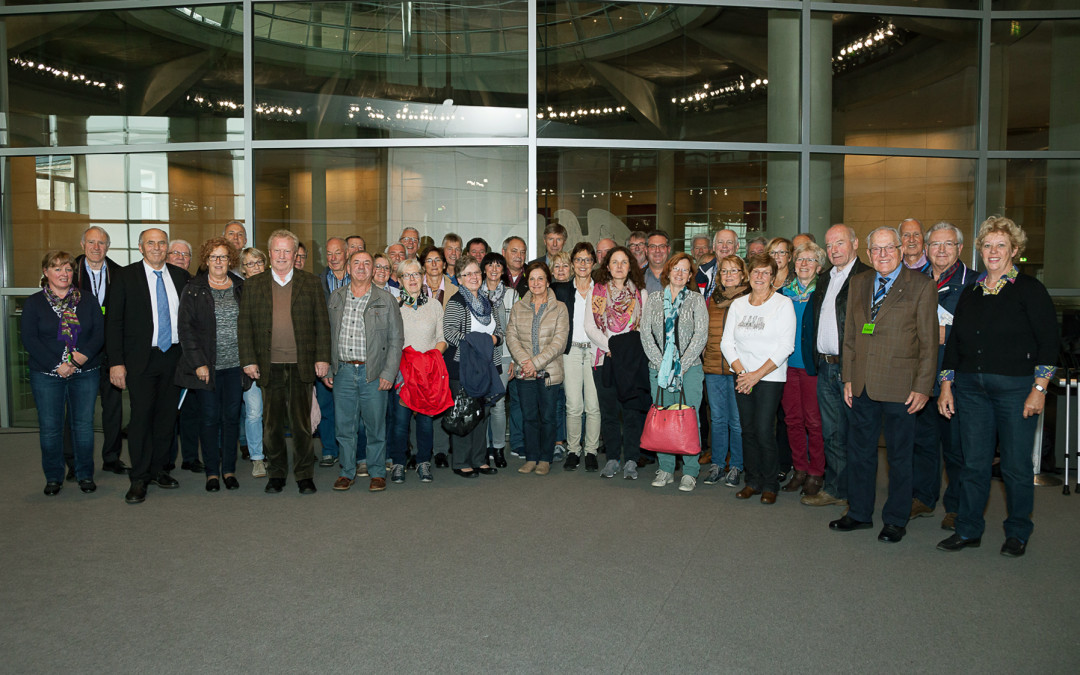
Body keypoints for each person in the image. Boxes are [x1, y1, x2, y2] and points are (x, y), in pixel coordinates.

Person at [936, 216, 1059, 557]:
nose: (993, 251)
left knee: (1015, 467)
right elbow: (956, 345)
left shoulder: (1029, 290)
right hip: (971, 392)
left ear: (1015, 250)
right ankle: (968, 529)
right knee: (973, 464)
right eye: (987, 245)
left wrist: (1039, 389)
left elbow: (1049, 342)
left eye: (1000, 245)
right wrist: (947, 387)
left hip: (1017, 392)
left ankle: (1018, 532)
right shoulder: (971, 292)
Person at [830, 226, 937, 544]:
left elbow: (929, 344)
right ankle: (859, 513)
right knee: (859, 452)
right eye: (876, 249)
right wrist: (848, 377)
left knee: (900, 457)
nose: (883, 255)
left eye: (889, 248)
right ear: (867, 252)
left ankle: (895, 519)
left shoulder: (921, 286)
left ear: (901, 249)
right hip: (861, 384)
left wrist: (923, 387)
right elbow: (849, 334)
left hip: (901, 387)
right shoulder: (860, 282)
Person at [238, 230, 331, 495]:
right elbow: (244, 326)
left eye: (286, 251)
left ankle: (304, 474)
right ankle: (276, 473)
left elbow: (322, 324)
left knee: (302, 425)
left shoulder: (310, 283)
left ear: (295, 254)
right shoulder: (254, 285)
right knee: (272, 424)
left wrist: (323, 357)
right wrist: (248, 360)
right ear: (269, 255)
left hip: (301, 364)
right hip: (269, 365)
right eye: (277, 251)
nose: (281, 256)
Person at [106, 228, 192, 504]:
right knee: (141, 418)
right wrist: (116, 363)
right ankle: (139, 478)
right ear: (140, 247)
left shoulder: (180, 277)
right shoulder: (124, 276)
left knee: (167, 418)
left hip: (174, 358)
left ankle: (159, 469)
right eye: (151, 243)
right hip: (140, 360)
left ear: (167, 247)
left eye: (161, 243)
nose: (157, 247)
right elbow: (114, 323)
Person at [22, 251, 105, 495]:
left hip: (85, 371)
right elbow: (29, 339)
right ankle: (54, 477)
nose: (63, 274)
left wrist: (80, 358)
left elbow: (99, 334)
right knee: (50, 428)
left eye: (68, 269)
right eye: (57, 268)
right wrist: (56, 365)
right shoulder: (34, 303)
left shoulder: (88, 301)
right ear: (46, 272)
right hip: (47, 374)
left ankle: (84, 475)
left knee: (83, 426)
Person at [911, 221, 976, 528]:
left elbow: (975, 332)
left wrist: (942, 332)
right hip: (919, 377)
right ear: (926, 249)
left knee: (957, 447)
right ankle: (923, 498)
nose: (940, 250)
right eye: (935, 244)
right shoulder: (913, 280)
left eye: (948, 244)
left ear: (959, 249)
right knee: (922, 443)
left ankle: (957, 506)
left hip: (957, 380)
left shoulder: (974, 284)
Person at [802, 224, 870, 508]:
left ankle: (859, 493)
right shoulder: (826, 277)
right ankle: (836, 488)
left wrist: (855, 367)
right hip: (826, 368)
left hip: (852, 368)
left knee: (858, 434)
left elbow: (867, 326)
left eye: (840, 243)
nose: (834, 250)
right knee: (832, 433)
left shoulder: (867, 276)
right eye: (829, 246)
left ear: (854, 243)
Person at [720, 253, 796, 504]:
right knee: (747, 430)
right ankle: (752, 481)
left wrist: (756, 375)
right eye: (756, 272)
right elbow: (727, 343)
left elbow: (786, 346)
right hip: (742, 376)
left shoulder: (783, 304)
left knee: (764, 430)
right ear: (749, 276)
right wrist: (743, 373)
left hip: (770, 378)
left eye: (766, 273)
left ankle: (770, 483)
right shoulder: (738, 305)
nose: (760, 277)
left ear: (773, 277)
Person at [326, 251, 404, 492]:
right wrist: (329, 366)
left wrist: (389, 373)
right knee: (345, 426)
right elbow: (327, 335)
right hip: (343, 372)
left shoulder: (386, 299)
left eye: (366, 263)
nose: (361, 267)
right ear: (348, 268)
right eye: (356, 263)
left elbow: (396, 339)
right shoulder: (335, 298)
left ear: (374, 270)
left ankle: (377, 472)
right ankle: (347, 472)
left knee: (375, 426)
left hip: (373, 372)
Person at [176, 237, 245, 492]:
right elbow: (186, 330)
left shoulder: (240, 287)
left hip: (235, 367)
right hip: (207, 369)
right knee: (208, 419)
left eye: (223, 257)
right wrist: (198, 364)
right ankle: (212, 472)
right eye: (214, 257)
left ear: (231, 261)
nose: (218, 261)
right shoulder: (193, 289)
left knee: (230, 419)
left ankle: (228, 469)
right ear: (206, 260)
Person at [640, 252, 708, 491]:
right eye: (675, 268)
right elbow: (645, 333)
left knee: (689, 418)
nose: (679, 273)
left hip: (689, 370)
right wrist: (663, 365)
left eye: (685, 270)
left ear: (690, 275)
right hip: (658, 369)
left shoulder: (696, 300)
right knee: (663, 417)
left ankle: (690, 471)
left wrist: (681, 365)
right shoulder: (654, 299)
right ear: (668, 271)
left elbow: (701, 336)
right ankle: (666, 468)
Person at [585, 246, 649, 479]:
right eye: (615, 262)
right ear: (608, 266)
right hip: (605, 359)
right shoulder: (598, 290)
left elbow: (644, 326)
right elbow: (589, 326)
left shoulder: (640, 292)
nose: (619, 266)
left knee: (632, 412)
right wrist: (610, 346)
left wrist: (624, 350)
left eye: (624, 262)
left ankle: (631, 459)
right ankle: (612, 458)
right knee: (609, 412)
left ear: (630, 266)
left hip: (631, 361)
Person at [442, 256, 505, 477]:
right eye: (467, 274)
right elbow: (449, 332)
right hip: (464, 366)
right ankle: (461, 461)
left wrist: (494, 340)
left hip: (488, 366)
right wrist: (477, 343)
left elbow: (499, 332)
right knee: (464, 413)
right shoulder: (456, 301)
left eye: (476, 272)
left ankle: (479, 459)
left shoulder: (488, 301)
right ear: (459, 279)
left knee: (483, 413)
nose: (474, 277)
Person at [71, 225, 126, 475]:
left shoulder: (120, 274)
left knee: (113, 408)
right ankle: (73, 462)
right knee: (77, 409)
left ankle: (112, 457)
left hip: (111, 352)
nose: (96, 247)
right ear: (83, 245)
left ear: (108, 247)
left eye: (101, 243)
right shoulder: (69, 273)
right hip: (79, 352)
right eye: (91, 242)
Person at [507, 262, 569, 475]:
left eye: (540, 278)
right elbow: (511, 337)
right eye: (532, 279)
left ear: (548, 281)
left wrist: (536, 363)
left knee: (549, 417)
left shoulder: (560, 308)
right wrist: (526, 362)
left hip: (549, 371)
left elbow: (559, 342)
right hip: (525, 372)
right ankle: (531, 457)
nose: (536, 283)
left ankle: (545, 458)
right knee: (529, 416)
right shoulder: (518, 307)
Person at [388, 258, 446, 484]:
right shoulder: (393, 305)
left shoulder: (434, 305)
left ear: (422, 276)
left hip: (428, 372)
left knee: (424, 422)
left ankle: (423, 462)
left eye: (415, 274)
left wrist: (429, 360)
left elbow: (441, 339)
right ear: (400, 280)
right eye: (406, 275)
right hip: (403, 373)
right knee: (400, 422)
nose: (412, 279)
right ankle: (399, 463)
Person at [779, 242, 826, 495]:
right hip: (786, 367)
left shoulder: (824, 293)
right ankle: (800, 468)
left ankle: (817, 472)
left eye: (810, 260)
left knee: (814, 422)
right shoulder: (784, 294)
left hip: (811, 367)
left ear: (819, 266)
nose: (804, 264)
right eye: (800, 260)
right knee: (793, 420)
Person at [701, 254, 749, 487]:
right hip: (713, 367)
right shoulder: (712, 299)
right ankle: (718, 464)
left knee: (737, 421)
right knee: (718, 419)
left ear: (743, 275)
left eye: (734, 271)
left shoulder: (749, 299)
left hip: (739, 369)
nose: (728, 275)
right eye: (724, 271)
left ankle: (737, 465)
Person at [561, 243, 601, 472]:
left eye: (587, 260)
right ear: (572, 263)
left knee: (593, 406)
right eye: (579, 259)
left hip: (595, 350)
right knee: (574, 405)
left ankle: (591, 451)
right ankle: (573, 450)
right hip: (572, 351)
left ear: (593, 263)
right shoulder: (563, 290)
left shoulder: (601, 290)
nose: (583, 264)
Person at [167, 238, 203, 473]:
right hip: (165, 355)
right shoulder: (159, 281)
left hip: (190, 355)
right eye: (175, 253)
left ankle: (190, 457)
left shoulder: (198, 285)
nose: (180, 257)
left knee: (190, 410)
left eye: (185, 254)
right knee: (167, 410)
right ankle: (166, 459)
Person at [316, 237, 350, 468]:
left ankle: (350, 452)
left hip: (351, 352)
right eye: (329, 253)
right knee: (326, 404)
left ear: (346, 253)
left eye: (337, 252)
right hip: (326, 351)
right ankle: (329, 449)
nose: (333, 258)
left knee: (349, 406)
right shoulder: (316, 281)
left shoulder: (359, 278)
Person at [480, 252, 511, 468]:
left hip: (505, 355)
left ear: (503, 270)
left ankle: (499, 448)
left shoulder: (512, 294)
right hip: (480, 358)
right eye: (489, 265)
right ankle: (482, 449)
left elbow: (518, 328)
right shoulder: (474, 292)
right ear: (483, 269)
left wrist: (517, 360)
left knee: (499, 405)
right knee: (482, 404)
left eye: (498, 265)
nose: (493, 269)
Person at [239, 247, 268, 478]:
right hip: (250, 364)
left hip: (276, 361)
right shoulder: (238, 292)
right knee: (253, 412)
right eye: (250, 264)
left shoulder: (276, 288)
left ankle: (273, 454)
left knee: (274, 413)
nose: (256, 267)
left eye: (259, 262)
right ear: (243, 269)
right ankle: (257, 458)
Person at [695, 228, 739, 298]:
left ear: (737, 247)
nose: (724, 246)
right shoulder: (700, 274)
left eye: (729, 242)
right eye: (720, 242)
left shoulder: (746, 276)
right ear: (714, 246)